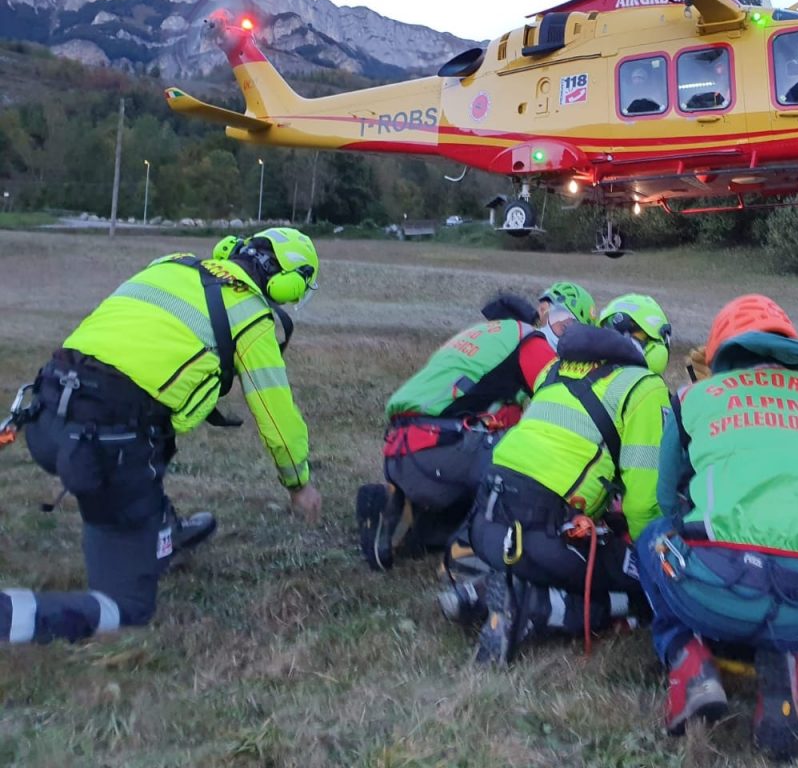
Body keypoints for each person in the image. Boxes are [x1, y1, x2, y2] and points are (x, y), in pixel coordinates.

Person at [1, 228, 321, 645]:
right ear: (287, 282)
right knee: (129, 607)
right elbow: (278, 417)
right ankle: (11, 616)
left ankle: (160, 531)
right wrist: (299, 485)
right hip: (104, 450)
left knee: (158, 434)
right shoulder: (250, 315)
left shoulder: (173, 265)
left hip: (45, 416)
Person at [635, 294, 798, 762]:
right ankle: (786, 662)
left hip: (720, 591)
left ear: (721, 351)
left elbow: (664, 499)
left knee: (654, 537)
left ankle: (687, 661)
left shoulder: (694, 397)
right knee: (793, 587)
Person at [459, 294, 674, 664]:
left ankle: (486, 591)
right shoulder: (644, 389)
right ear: (652, 344)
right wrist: (654, 559)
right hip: (543, 533)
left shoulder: (553, 371)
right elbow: (643, 504)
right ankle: (535, 606)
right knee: (647, 583)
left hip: (485, 522)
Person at [356, 283, 595, 572]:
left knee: (484, 470)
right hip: (446, 448)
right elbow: (564, 405)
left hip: (404, 451)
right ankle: (469, 548)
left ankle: (400, 514)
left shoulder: (483, 336)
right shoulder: (531, 341)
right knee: (521, 462)